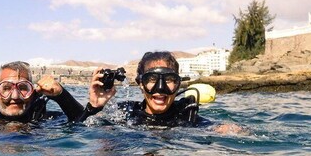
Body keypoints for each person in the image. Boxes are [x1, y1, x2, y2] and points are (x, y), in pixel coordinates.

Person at [79, 50, 244, 133]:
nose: (160, 89)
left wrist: (232, 130)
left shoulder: (188, 119)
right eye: (151, 80)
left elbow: (217, 130)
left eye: (169, 80)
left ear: (178, 85)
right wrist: (93, 108)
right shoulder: (124, 113)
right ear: (141, 84)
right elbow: (79, 129)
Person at [0, 61, 84, 124]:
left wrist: (62, 95)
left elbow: (82, 121)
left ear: (33, 93)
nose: (15, 96)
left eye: (23, 88)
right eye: (6, 88)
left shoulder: (45, 119)